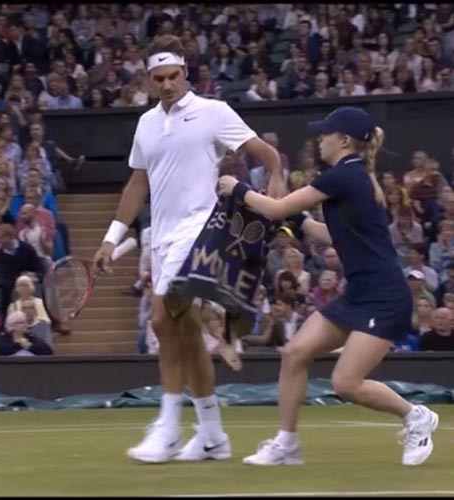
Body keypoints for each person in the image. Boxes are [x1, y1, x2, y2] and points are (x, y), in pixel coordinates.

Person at [93, 34, 284, 464]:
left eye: (173, 76)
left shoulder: (213, 112)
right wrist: (110, 238)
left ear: (186, 73)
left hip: (201, 229)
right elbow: (136, 185)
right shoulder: (145, 124)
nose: (166, 84)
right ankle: (213, 434)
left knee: (162, 319)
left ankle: (169, 427)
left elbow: (266, 154)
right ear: (148, 79)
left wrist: (275, 188)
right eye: (158, 78)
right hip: (161, 236)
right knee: (183, 334)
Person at [218, 106, 439, 467]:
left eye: (325, 134)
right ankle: (287, 444)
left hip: (384, 298)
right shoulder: (353, 178)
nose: (320, 140)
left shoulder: (345, 176)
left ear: (344, 140)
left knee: (346, 384)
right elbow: (332, 235)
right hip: (358, 294)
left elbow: (274, 209)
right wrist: (301, 220)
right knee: (294, 354)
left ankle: (416, 416)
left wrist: (236, 188)